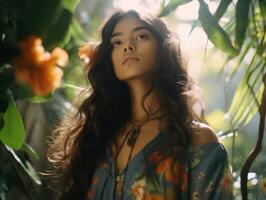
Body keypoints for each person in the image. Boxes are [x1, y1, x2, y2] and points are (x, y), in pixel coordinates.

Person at [47, 9, 233, 200]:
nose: (128, 46)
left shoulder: (196, 140)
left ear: (163, 48)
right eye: (117, 42)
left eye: (142, 36)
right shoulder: (94, 136)